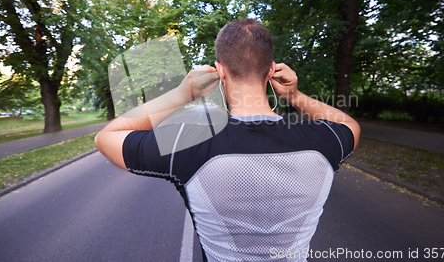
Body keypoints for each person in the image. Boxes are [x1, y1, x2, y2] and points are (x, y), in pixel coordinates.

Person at [95, 18, 360, 262]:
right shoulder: (323, 142)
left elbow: (107, 137)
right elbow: (349, 125)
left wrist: (181, 95)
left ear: (220, 71)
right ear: (271, 71)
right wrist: (294, 95)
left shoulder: (189, 143)